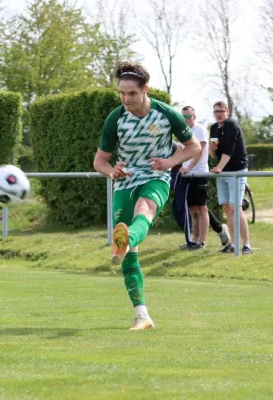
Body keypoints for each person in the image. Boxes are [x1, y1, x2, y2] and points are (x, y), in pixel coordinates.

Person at [93, 61, 201, 330]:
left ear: (145, 90)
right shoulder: (115, 118)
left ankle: (127, 237)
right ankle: (142, 316)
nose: (126, 99)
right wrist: (112, 171)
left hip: (156, 177)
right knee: (129, 256)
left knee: (145, 210)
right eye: (121, 93)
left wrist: (170, 161)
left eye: (131, 93)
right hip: (125, 182)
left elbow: (194, 147)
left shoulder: (166, 114)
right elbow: (100, 161)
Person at [175, 106, 230, 250]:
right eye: (183, 117)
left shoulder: (199, 130)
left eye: (188, 116)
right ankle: (194, 240)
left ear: (194, 116)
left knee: (202, 208)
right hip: (188, 175)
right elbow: (180, 150)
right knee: (193, 209)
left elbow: (199, 151)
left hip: (199, 174)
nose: (186, 119)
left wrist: (189, 168)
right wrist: (169, 164)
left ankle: (202, 242)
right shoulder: (184, 132)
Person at [209, 101, 252, 254]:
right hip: (223, 172)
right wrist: (212, 151)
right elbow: (214, 154)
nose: (218, 114)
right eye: (216, 111)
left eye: (221, 110)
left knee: (236, 206)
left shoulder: (231, 124)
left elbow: (229, 150)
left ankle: (246, 245)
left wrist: (219, 167)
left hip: (237, 170)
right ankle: (233, 245)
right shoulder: (214, 128)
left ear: (227, 111)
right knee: (227, 208)